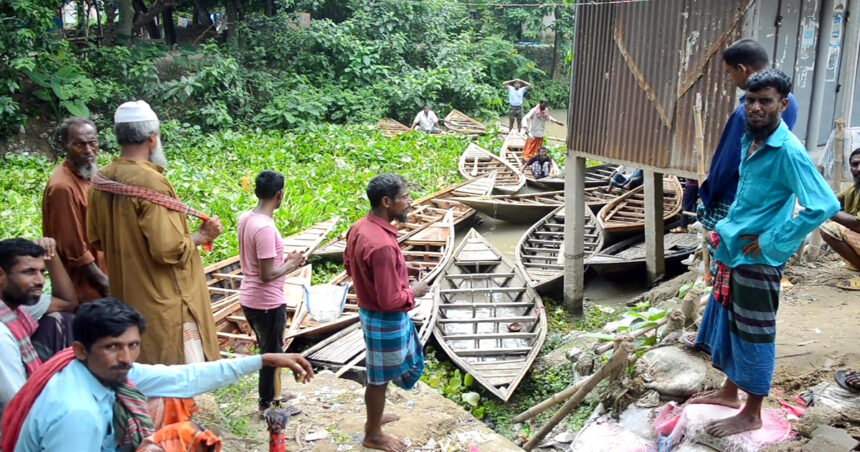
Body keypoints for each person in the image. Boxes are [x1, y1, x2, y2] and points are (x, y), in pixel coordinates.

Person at [691, 70, 839, 437]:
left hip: (758, 260)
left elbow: (823, 204)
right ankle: (729, 392)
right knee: (727, 321)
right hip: (733, 250)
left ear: (782, 104)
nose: (755, 108)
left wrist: (772, 241)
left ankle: (753, 411)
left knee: (755, 332)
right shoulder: (751, 139)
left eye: (765, 101)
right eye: (750, 101)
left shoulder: (787, 150)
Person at [1, 297, 314, 451]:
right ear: (82, 349)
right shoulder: (77, 413)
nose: (125, 358)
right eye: (113, 347)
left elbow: (184, 378)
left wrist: (264, 360)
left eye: (133, 345)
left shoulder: (102, 372)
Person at [87, 100, 222, 365]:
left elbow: (96, 238)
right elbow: (167, 249)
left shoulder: (101, 178)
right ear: (152, 139)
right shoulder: (151, 181)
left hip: (128, 296)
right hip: (166, 301)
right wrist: (202, 236)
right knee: (178, 382)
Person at [343, 174, 429, 452]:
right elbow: (391, 299)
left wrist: (402, 268)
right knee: (379, 378)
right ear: (386, 201)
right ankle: (373, 434)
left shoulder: (359, 228)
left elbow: (350, 265)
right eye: (405, 197)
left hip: (370, 313)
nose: (409, 202)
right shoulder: (381, 244)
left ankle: (376, 418)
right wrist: (415, 290)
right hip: (385, 319)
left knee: (379, 371)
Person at [697, 39, 799, 233]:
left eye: (729, 72)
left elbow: (728, 161)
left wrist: (709, 194)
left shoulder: (746, 112)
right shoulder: (788, 101)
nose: (730, 79)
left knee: (731, 254)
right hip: (770, 197)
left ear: (742, 69)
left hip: (738, 197)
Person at [238, 170, 306, 411]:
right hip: (265, 302)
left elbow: (259, 264)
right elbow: (267, 275)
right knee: (272, 353)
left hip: (249, 297)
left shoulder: (246, 218)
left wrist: (283, 261)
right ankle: (269, 404)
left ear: (257, 192)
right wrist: (291, 263)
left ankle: (273, 392)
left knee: (268, 350)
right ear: (280, 195)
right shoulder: (265, 228)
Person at [0, 238, 77, 421]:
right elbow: (16, 401)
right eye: (29, 272)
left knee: (63, 320)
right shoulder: (2, 336)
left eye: (42, 272)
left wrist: (52, 256)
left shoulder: (18, 308)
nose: (40, 281)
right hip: (14, 423)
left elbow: (68, 303)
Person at [42, 117, 110, 303]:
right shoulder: (63, 187)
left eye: (92, 143)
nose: (88, 151)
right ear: (64, 146)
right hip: (86, 287)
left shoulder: (90, 175)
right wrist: (103, 283)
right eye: (79, 144)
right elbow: (74, 250)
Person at [819, 147, 860, 290]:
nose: (858, 169)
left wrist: (827, 211)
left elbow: (858, 225)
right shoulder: (855, 189)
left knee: (831, 229)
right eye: (855, 165)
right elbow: (833, 201)